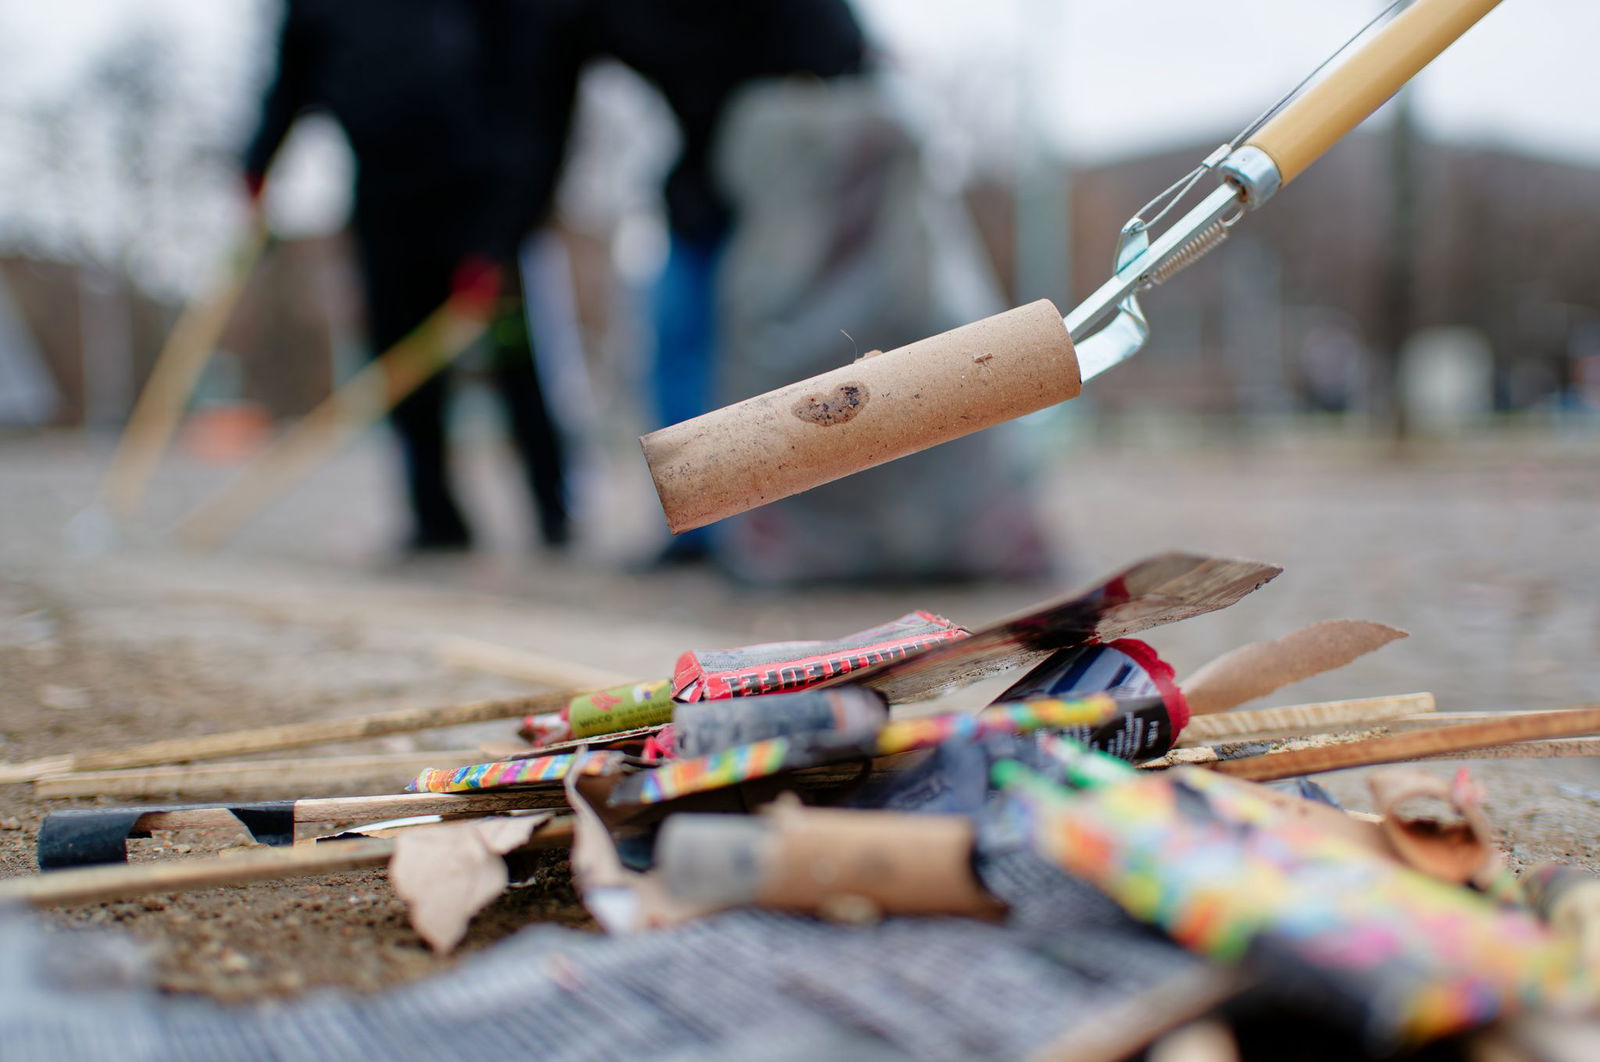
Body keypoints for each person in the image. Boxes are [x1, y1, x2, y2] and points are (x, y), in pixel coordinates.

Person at [242, 0, 569, 552]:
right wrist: (257, 165)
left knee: (511, 352)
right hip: (384, 202)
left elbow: (526, 90)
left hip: (478, 200)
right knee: (399, 360)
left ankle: (554, 510)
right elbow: (292, 79)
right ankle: (435, 517)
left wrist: (501, 231)